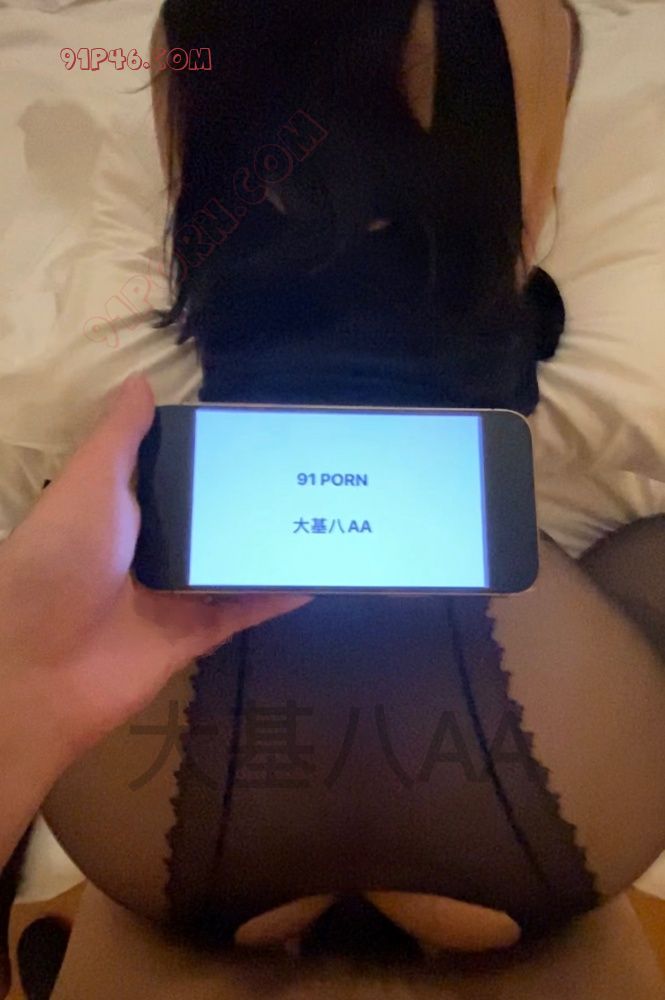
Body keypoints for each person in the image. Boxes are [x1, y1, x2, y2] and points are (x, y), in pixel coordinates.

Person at [0, 375, 663, 999]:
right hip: (520, 805)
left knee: (143, 935)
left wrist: (27, 677)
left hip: (193, 821)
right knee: (648, 558)